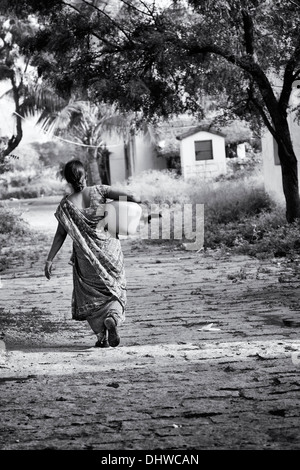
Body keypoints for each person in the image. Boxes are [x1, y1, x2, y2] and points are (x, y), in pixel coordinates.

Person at [44, 159, 141, 348]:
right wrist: (119, 211)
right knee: (115, 288)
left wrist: (49, 259)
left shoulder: (65, 206)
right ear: (85, 175)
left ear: (67, 180)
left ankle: (101, 336)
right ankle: (112, 317)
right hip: (110, 252)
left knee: (90, 295)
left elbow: (60, 234)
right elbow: (133, 197)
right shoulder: (101, 191)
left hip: (86, 259)